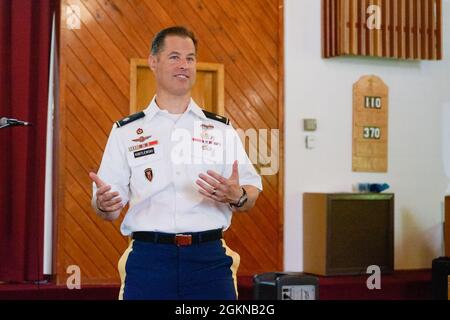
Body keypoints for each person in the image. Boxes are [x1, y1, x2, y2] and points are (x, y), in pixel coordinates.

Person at [89, 26, 262, 300]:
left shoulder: (220, 129)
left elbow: (251, 190)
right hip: (149, 260)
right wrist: (104, 204)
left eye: (190, 58)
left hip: (209, 261)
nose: (184, 65)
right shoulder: (126, 131)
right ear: (153, 62)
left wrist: (237, 196)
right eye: (174, 57)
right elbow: (107, 207)